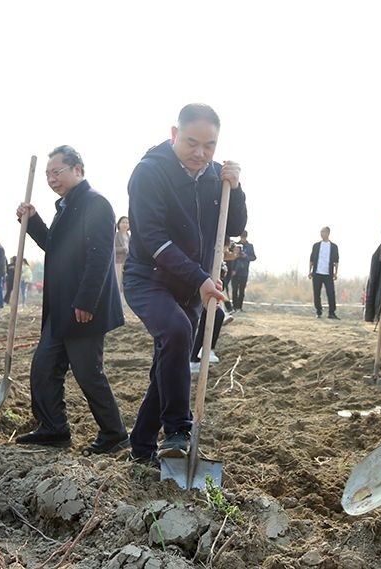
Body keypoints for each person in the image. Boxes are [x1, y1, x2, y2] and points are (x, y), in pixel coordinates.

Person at [124, 103, 246, 464]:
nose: (201, 153)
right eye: (192, 142)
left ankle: (141, 446)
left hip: (192, 284)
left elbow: (234, 225)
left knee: (168, 363)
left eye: (209, 145)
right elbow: (153, 238)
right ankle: (178, 428)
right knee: (177, 332)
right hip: (149, 278)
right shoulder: (149, 173)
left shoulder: (214, 176)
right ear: (174, 134)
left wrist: (235, 188)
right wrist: (201, 278)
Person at [13, 145, 128, 450]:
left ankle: (114, 435)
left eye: (57, 172)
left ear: (78, 170)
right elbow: (56, 247)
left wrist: (86, 301)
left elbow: (99, 255)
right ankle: (53, 428)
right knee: (43, 367)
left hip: (82, 308)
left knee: (88, 374)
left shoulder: (96, 204)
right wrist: (33, 222)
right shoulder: (65, 206)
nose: (52, 179)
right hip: (61, 308)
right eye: (48, 174)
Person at [309, 227, 339, 319]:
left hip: (328, 274)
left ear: (328, 233)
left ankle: (331, 313)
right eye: (321, 232)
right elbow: (312, 260)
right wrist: (309, 271)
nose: (322, 234)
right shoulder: (316, 246)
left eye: (324, 232)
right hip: (317, 273)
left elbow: (336, 261)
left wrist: (335, 273)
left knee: (331, 293)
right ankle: (318, 311)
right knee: (316, 293)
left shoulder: (333, 246)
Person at [228, 230, 256, 311]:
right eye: (242, 237)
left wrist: (246, 256)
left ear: (246, 237)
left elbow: (254, 257)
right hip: (235, 271)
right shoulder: (235, 245)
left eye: (244, 237)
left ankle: (239, 307)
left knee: (242, 291)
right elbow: (231, 257)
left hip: (244, 272)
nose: (243, 238)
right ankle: (234, 307)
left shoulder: (250, 246)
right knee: (234, 290)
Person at [114, 216, 130, 296]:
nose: (125, 224)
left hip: (127, 263)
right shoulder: (116, 235)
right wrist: (123, 249)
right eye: (123, 222)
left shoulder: (129, 236)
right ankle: (118, 299)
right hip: (118, 262)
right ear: (119, 224)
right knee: (117, 283)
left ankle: (124, 300)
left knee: (125, 283)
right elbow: (112, 249)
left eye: (127, 222)